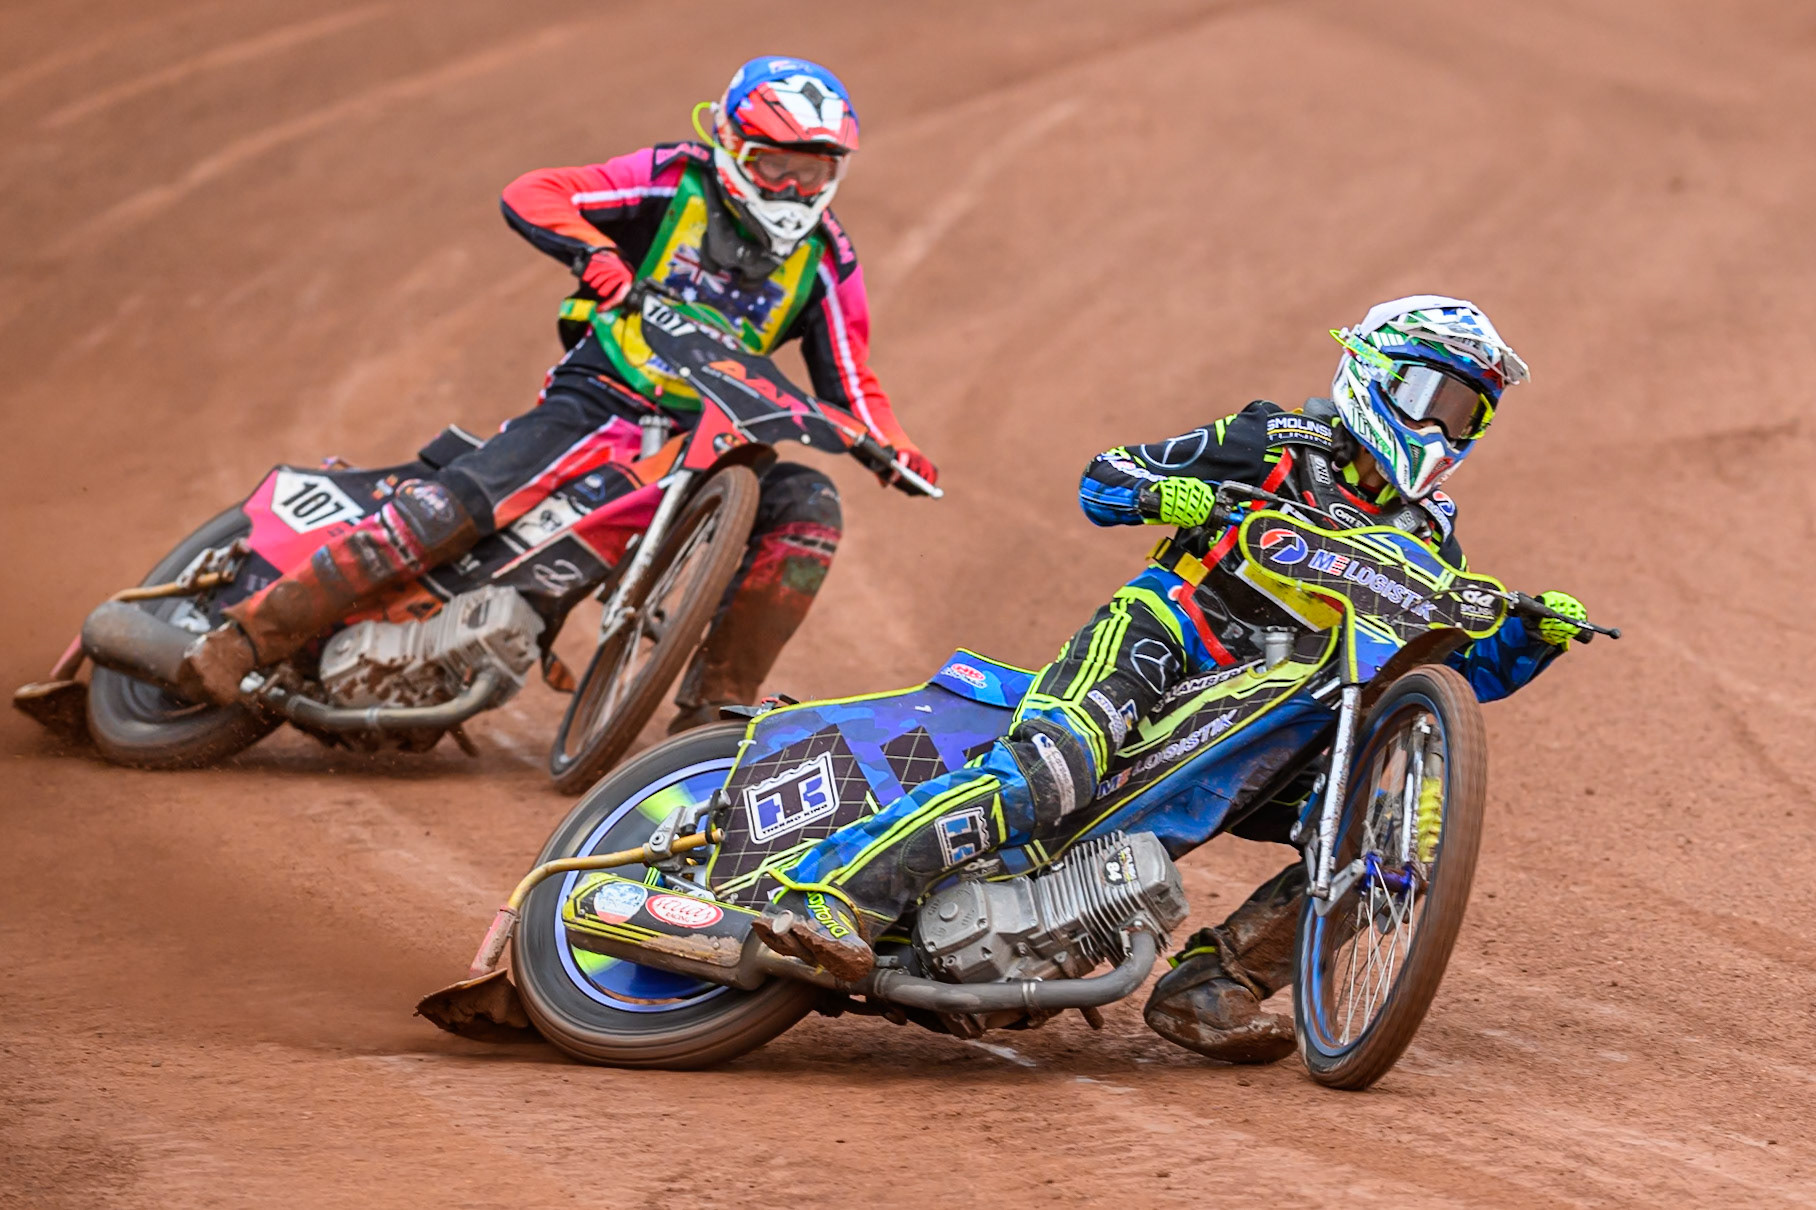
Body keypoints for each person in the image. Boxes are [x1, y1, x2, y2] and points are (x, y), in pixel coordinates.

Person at [750, 295, 1587, 1062]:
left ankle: (1212, 985)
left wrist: (1529, 639)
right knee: (1054, 767)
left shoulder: (1431, 540)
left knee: (1373, 848)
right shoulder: (1278, 441)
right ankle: (832, 895)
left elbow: (1444, 675)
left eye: (1464, 411)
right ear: (1375, 373)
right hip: (1170, 633)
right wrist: (1177, 495)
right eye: (1428, 396)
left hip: (1279, 709)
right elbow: (1105, 479)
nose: (1442, 426)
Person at [177, 57, 935, 729]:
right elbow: (537, 191)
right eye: (777, 166)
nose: (796, 189)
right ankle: (247, 635)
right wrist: (601, 258)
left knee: (811, 508)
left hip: (709, 439)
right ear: (733, 147)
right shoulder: (674, 180)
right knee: (458, 508)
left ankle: (710, 712)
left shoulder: (827, 257)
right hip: (601, 394)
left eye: (817, 172)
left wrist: (893, 448)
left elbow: (850, 373)